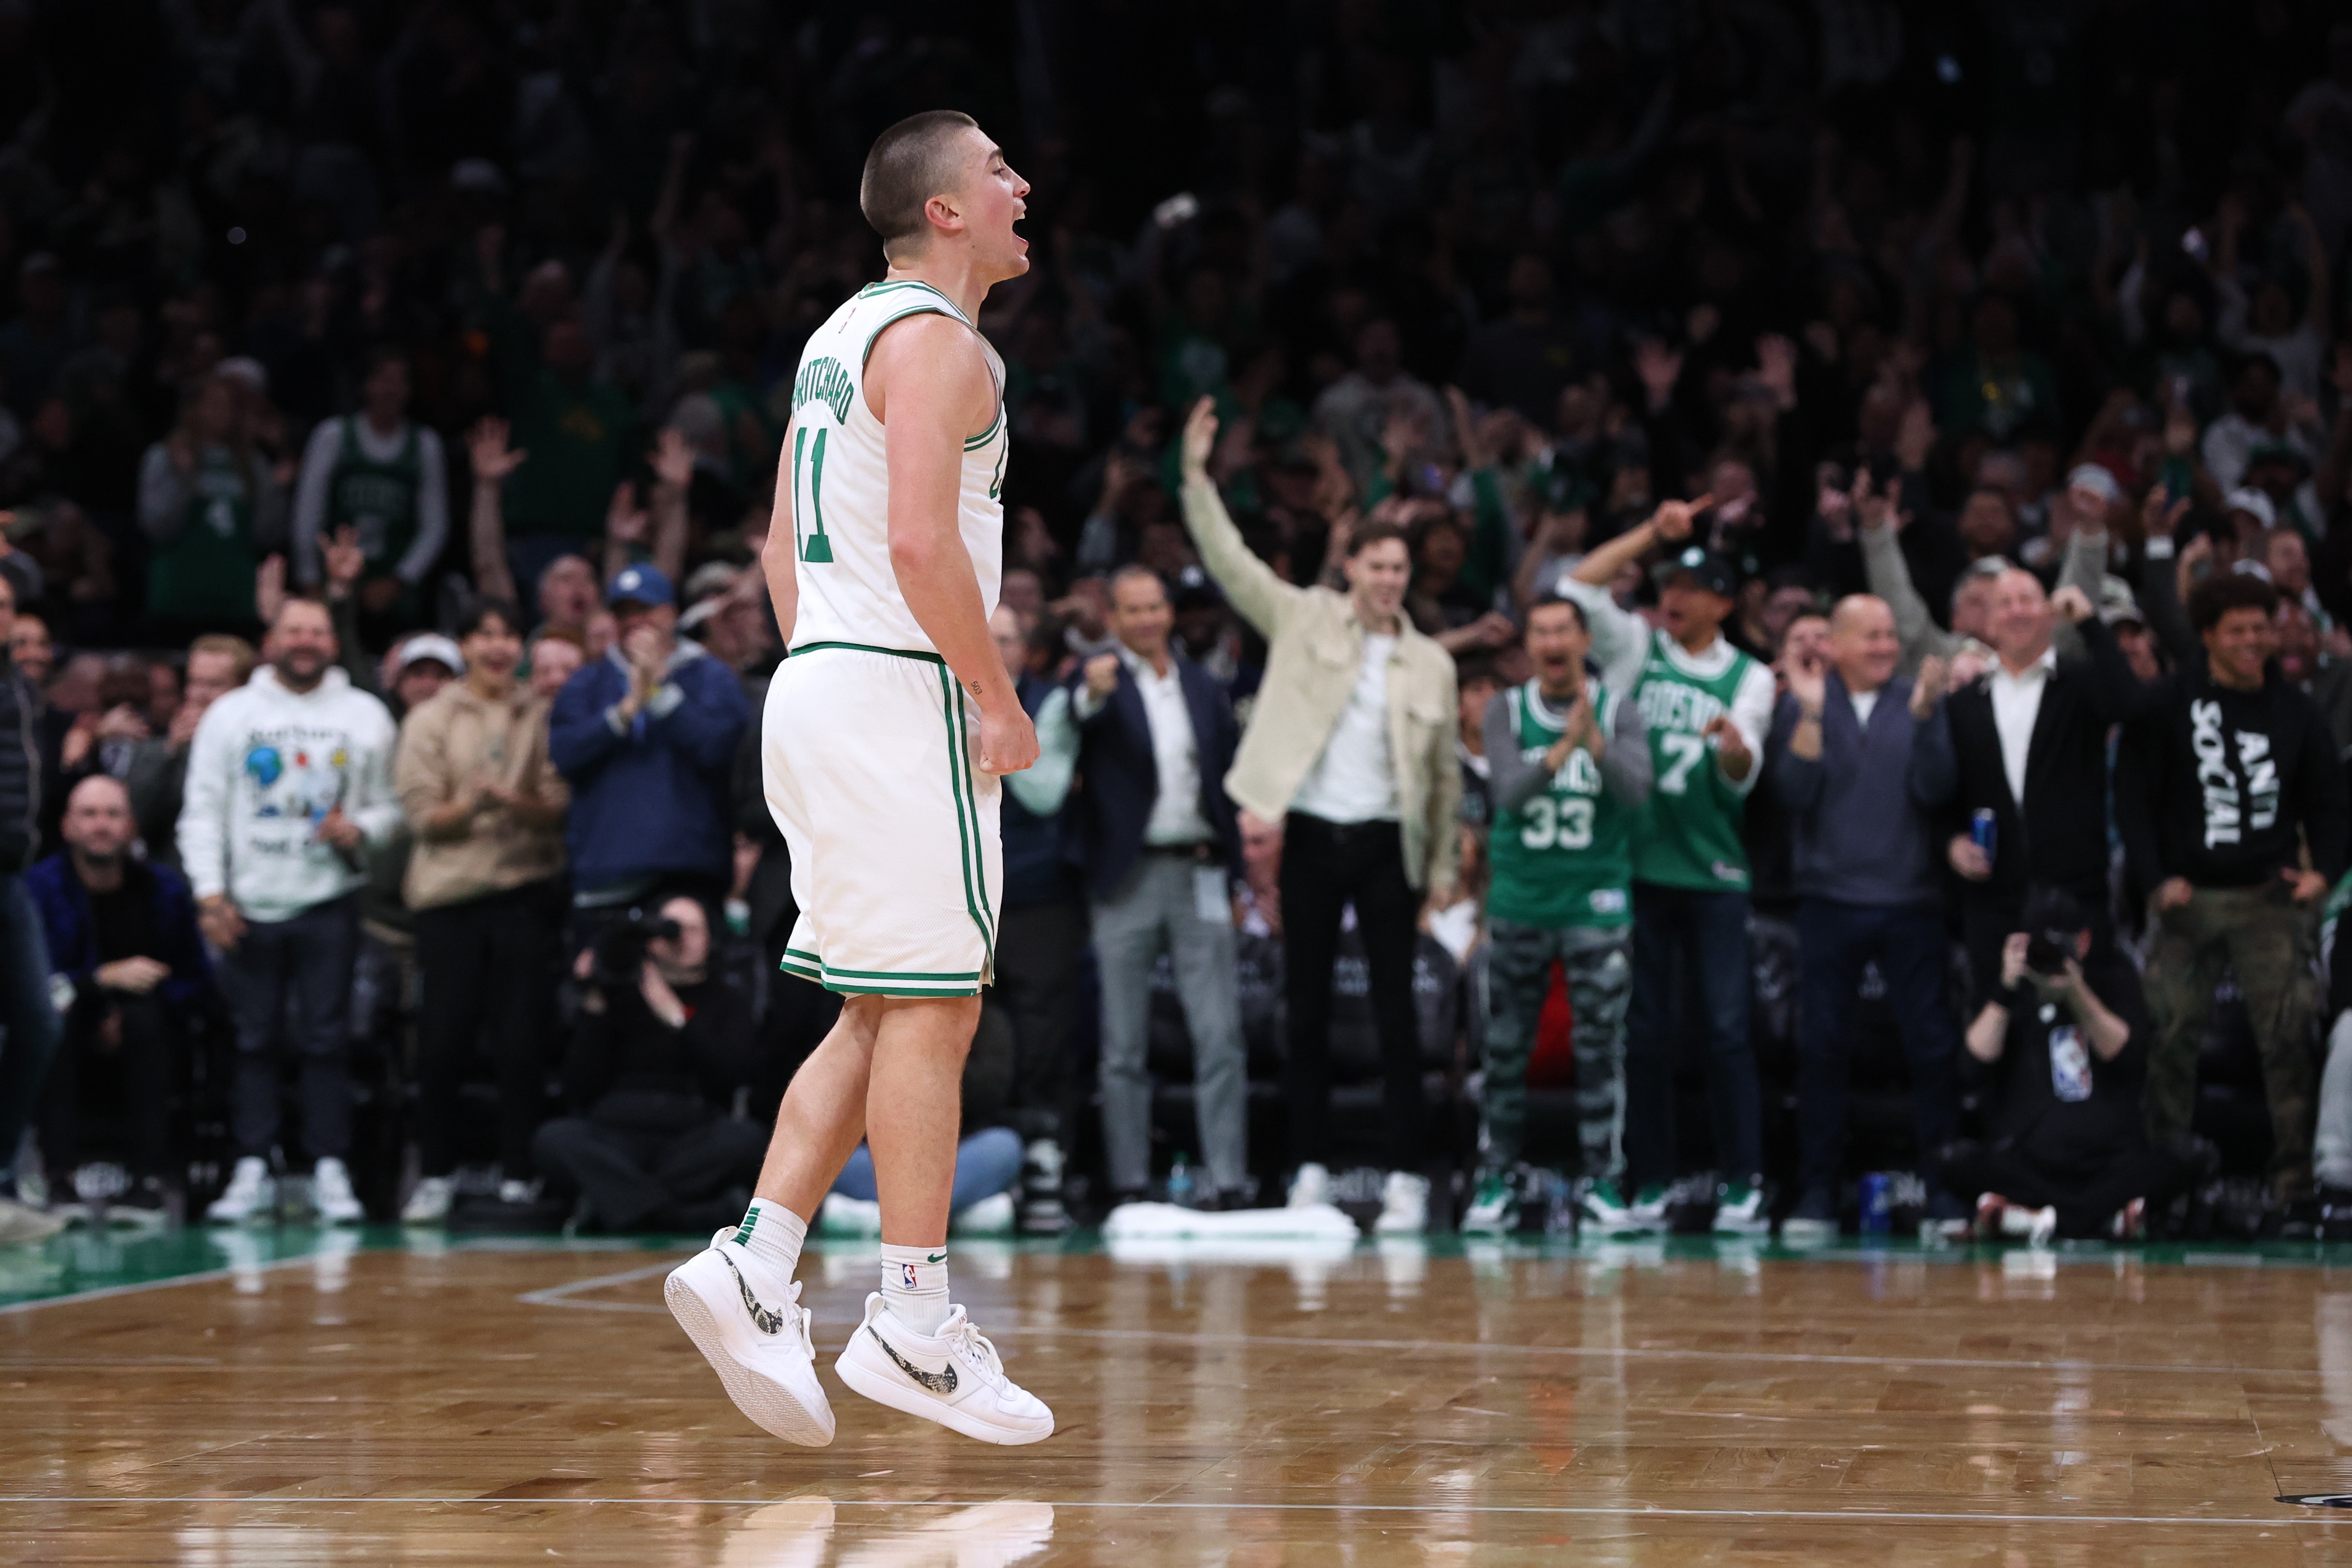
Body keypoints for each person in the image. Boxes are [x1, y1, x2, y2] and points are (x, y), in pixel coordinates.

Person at [663, 111, 1054, 1449]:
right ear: (942, 210)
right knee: (940, 1008)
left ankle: (757, 1259)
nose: (1020, 185)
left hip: (820, 676)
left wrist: (833, 668)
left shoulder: (836, 338)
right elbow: (921, 545)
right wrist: (993, 696)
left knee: (881, 1007)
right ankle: (913, 1317)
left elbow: (782, 548)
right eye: (995, 168)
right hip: (895, 686)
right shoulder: (941, 343)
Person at [1176, 398, 1462, 1236]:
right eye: (1378, 566)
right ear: (1353, 567)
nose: (1390, 579)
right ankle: (1307, 1170)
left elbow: (1444, 780)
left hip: (1388, 844)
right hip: (1308, 833)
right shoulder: (1303, 618)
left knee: (1397, 1015)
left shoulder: (1433, 663)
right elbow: (1232, 564)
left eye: (1400, 568)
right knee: (1302, 1010)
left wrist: (1443, 871)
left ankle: (1406, 1176)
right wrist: (1195, 476)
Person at [1564, 498, 1775, 1230]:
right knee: (1645, 1032)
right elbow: (1578, 586)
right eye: (1667, 586)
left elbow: (1744, 774)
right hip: (1638, 868)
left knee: (1726, 1030)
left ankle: (1743, 1179)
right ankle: (1649, 1179)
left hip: (1714, 872)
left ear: (1723, 602)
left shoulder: (1751, 676)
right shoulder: (1635, 651)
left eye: (1689, 588)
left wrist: (1734, 750)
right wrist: (1654, 532)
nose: (1673, 598)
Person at [2118, 572, 2348, 1210]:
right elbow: (2133, 795)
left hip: (2268, 898)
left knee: (2289, 1042)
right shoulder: (2167, 703)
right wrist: (2153, 879)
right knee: (2169, 1038)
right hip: (2187, 899)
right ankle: (2165, 1183)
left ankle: (2295, 1188)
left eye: (2261, 628)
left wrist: (2325, 871)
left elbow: (2328, 798)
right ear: (2208, 635)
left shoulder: (2296, 709)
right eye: (2238, 630)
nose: (2254, 641)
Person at [179, 596, 401, 1225]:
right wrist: (210, 893)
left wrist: (360, 829)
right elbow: (202, 809)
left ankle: (329, 1167)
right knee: (252, 1041)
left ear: (333, 641)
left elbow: (392, 809)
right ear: (271, 639)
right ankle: (252, 1166)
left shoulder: (365, 714)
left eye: (318, 631)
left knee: (327, 1039)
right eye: (294, 630)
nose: (306, 640)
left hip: (328, 899)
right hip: (247, 904)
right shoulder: (231, 713)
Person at [1771, 598, 1964, 1239]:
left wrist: (1929, 717)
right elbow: (1793, 793)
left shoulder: (1917, 699)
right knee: (1822, 1049)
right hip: (1828, 901)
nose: (1886, 645)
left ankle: (1944, 1191)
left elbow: (1937, 789)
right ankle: (1816, 1192)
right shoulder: (1803, 701)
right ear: (1836, 643)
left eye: (1890, 634)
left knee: (1931, 1049)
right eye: (1872, 635)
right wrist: (1810, 711)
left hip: (1911, 901)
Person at [1468, 593, 1651, 1233]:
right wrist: (1562, 749)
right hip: (1521, 899)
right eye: (1540, 632)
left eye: (1562, 631)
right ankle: (1496, 1177)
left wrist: (1594, 745)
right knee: (1505, 1048)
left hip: (1595, 901)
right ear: (1528, 645)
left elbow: (1637, 792)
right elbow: (1508, 793)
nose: (1552, 642)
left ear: (1582, 640)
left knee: (1601, 1047)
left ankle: (1603, 1179)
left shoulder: (1617, 710)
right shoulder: (1505, 709)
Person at [1071, 565, 1247, 1210]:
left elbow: (1227, 777)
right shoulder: (1099, 680)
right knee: (1122, 1043)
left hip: (1199, 866)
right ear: (1112, 619)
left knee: (1220, 1034)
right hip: (1127, 875)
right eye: (1133, 609)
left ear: (1168, 612)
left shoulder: (1202, 683)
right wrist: (1087, 696)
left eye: (1154, 607)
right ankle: (1127, 1182)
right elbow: (1071, 721)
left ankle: (1228, 1179)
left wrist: (1237, 871)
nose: (1146, 619)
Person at [395, 598, 570, 1223]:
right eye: (484, 634)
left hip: (525, 893)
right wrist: (473, 805)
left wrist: (512, 802)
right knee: (442, 1042)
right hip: (450, 901)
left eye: (508, 634)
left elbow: (557, 803)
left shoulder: (543, 713)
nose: (497, 646)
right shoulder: (430, 717)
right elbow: (423, 815)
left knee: (522, 1043)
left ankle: (519, 1173)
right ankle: (436, 1173)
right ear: (464, 644)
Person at [1943, 886, 2205, 1243]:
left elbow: (2130, 1059)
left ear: (2083, 942)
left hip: (2108, 1164)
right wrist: (2006, 989)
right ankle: (2102, 1221)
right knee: (1953, 1161)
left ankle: (2036, 1220)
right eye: (2038, 946)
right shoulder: (2008, 988)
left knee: (2191, 1157)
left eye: (2059, 945)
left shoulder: (2114, 978)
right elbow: (1972, 1067)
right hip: (2031, 1164)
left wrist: (2076, 993)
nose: (2048, 956)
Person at [1939, 569, 2146, 995]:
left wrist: (2089, 623)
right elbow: (1944, 792)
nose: (2017, 611)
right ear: (1989, 622)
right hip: (1992, 898)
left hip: (2076, 893)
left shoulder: (2080, 685)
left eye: (2028, 600)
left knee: (2086, 1017)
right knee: (1996, 1020)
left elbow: (2130, 705)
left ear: (2051, 615)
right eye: (2005, 603)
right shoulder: (1962, 703)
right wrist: (1950, 842)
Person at [28, 776, 211, 1224]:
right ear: (68, 825)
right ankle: (60, 1177)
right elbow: (33, 981)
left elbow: (196, 978)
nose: (101, 825)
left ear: (131, 826)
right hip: (68, 1021)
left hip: (151, 1027)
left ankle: (146, 1182)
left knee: (145, 1021)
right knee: (55, 1021)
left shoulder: (164, 889)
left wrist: (145, 998)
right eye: (89, 814)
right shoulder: (40, 889)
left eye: (112, 814)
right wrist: (99, 982)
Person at [534, 896, 763, 1232]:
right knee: (553, 1138)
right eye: (670, 929)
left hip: (690, 1139)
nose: (679, 939)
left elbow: (730, 1076)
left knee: (747, 1139)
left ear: (710, 940)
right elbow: (578, 1084)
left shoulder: (726, 1000)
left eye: (692, 930)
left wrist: (676, 1015)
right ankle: (681, 1216)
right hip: (615, 1138)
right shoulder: (615, 992)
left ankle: (616, 1206)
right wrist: (595, 1004)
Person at [548, 563, 750, 923]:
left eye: (645, 609)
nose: (634, 622)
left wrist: (658, 693)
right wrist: (624, 713)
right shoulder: (587, 682)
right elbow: (564, 756)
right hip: (603, 871)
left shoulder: (710, 675)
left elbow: (720, 750)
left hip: (688, 871)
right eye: (624, 613)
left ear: (670, 613)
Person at [985, 606, 1085, 1233]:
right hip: (965, 890)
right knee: (969, 1034)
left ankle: (1047, 1162)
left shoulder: (1051, 702)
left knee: (1043, 1034)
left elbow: (1044, 792)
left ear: (1027, 649)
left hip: (1039, 895)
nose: (995, 649)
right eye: (985, 636)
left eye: (1006, 639)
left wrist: (995, 725)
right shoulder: (940, 698)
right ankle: (983, 1166)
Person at [290, 345, 449, 634]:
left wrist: (400, 580)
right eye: (382, 378)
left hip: (399, 592)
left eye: (400, 380)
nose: (391, 389)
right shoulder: (333, 435)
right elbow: (307, 515)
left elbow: (435, 526)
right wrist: (310, 580)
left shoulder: (425, 444)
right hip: (332, 583)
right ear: (365, 385)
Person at [0, 569, 63, 1244]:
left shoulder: (17, 685)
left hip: (10, 878)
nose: (4, 616)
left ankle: (3, 1176)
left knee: (38, 1024)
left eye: (7, 606)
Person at [137, 371, 286, 643]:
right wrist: (184, 480)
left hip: (237, 598)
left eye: (228, 406)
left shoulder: (253, 464)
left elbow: (267, 535)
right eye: (212, 404)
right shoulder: (164, 457)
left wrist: (276, 491)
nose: (221, 413)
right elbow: (156, 527)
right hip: (179, 596)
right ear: (193, 409)